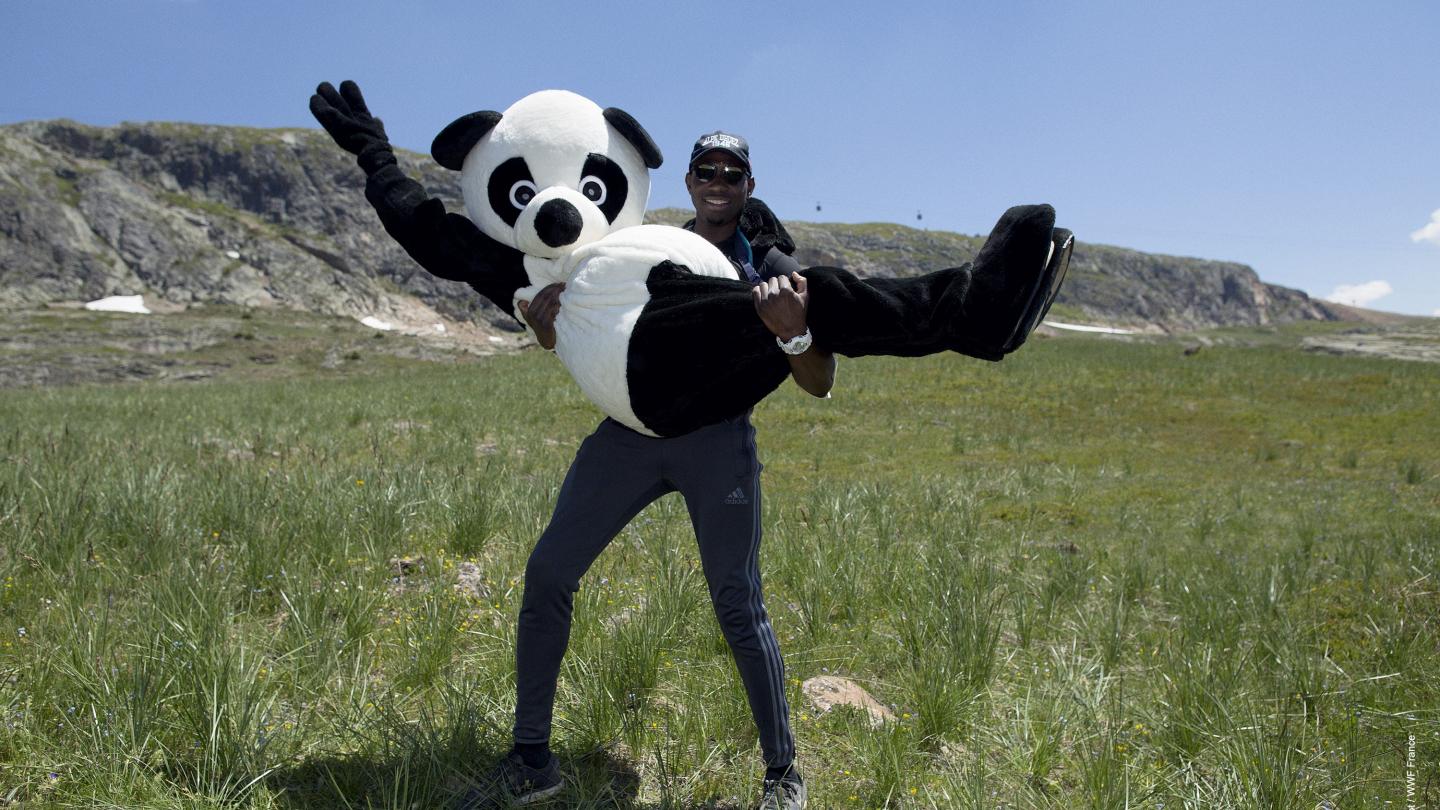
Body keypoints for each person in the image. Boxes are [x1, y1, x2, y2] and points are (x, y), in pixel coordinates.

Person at [480, 132, 833, 809]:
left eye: (734, 172)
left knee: (737, 600)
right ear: (691, 182)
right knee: (549, 571)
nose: (719, 180)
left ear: (749, 185)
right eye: (707, 170)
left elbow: (818, 381)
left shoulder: (774, 265)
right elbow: (588, 342)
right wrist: (547, 330)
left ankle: (782, 773)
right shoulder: (642, 249)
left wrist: (793, 330)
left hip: (716, 443)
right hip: (631, 436)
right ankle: (532, 760)